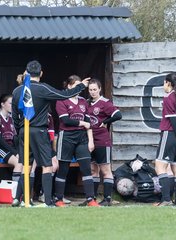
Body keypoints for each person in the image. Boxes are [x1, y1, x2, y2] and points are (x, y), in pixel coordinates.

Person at [12, 60, 90, 207]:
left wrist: (19, 131)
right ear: (41, 73)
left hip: (23, 130)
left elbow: (14, 116)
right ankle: (48, 201)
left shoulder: (17, 91)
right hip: (39, 130)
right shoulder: (43, 88)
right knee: (47, 165)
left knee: (26, 166)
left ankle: (21, 199)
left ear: (26, 73)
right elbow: (63, 94)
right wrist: (81, 86)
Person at [53, 75, 99, 207]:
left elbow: (89, 122)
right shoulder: (61, 100)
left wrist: (91, 140)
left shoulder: (83, 101)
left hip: (82, 137)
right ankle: (59, 199)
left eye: (80, 85)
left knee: (86, 168)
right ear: (69, 86)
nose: (79, 88)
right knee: (63, 169)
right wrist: (82, 123)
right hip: (66, 137)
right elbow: (66, 120)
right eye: (75, 85)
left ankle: (91, 199)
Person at [154, 73, 176, 206]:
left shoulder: (169, 97)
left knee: (159, 166)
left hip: (170, 134)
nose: (163, 86)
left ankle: (167, 199)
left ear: (168, 83)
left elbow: (172, 118)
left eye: (164, 83)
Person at [87, 78, 122, 206]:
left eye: (95, 89)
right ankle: (93, 199)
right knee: (92, 169)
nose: (92, 92)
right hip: (90, 140)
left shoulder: (105, 103)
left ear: (100, 89)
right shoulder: (87, 103)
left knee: (105, 169)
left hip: (102, 140)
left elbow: (118, 115)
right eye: (90, 90)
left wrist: (105, 122)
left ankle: (107, 199)